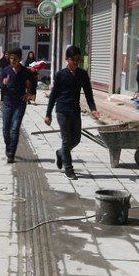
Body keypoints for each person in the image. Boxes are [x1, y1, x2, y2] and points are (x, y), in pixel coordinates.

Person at [45, 45, 100, 179]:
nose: (75, 62)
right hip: (62, 111)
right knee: (66, 140)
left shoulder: (82, 75)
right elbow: (53, 95)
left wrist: (93, 109)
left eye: (78, 60)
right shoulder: (60, 75)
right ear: (66, 59)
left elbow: (88, 94)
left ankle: (60, 153)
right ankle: (69, 169)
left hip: (75, 110)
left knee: (76, 139)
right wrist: (48, 114)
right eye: (73, 59)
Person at [0, 46, 35, 164]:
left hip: (20, 103)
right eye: (11, 59)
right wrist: (3, 84)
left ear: (20, 59)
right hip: (8, 102)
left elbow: (33, 83)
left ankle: (11, 153)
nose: (12, 61)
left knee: (14, 129)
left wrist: (29, 93)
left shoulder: (25, 72)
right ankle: (8, 146)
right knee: (5, 129)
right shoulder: (6, 70)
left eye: (15, 59)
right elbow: (0, 84)